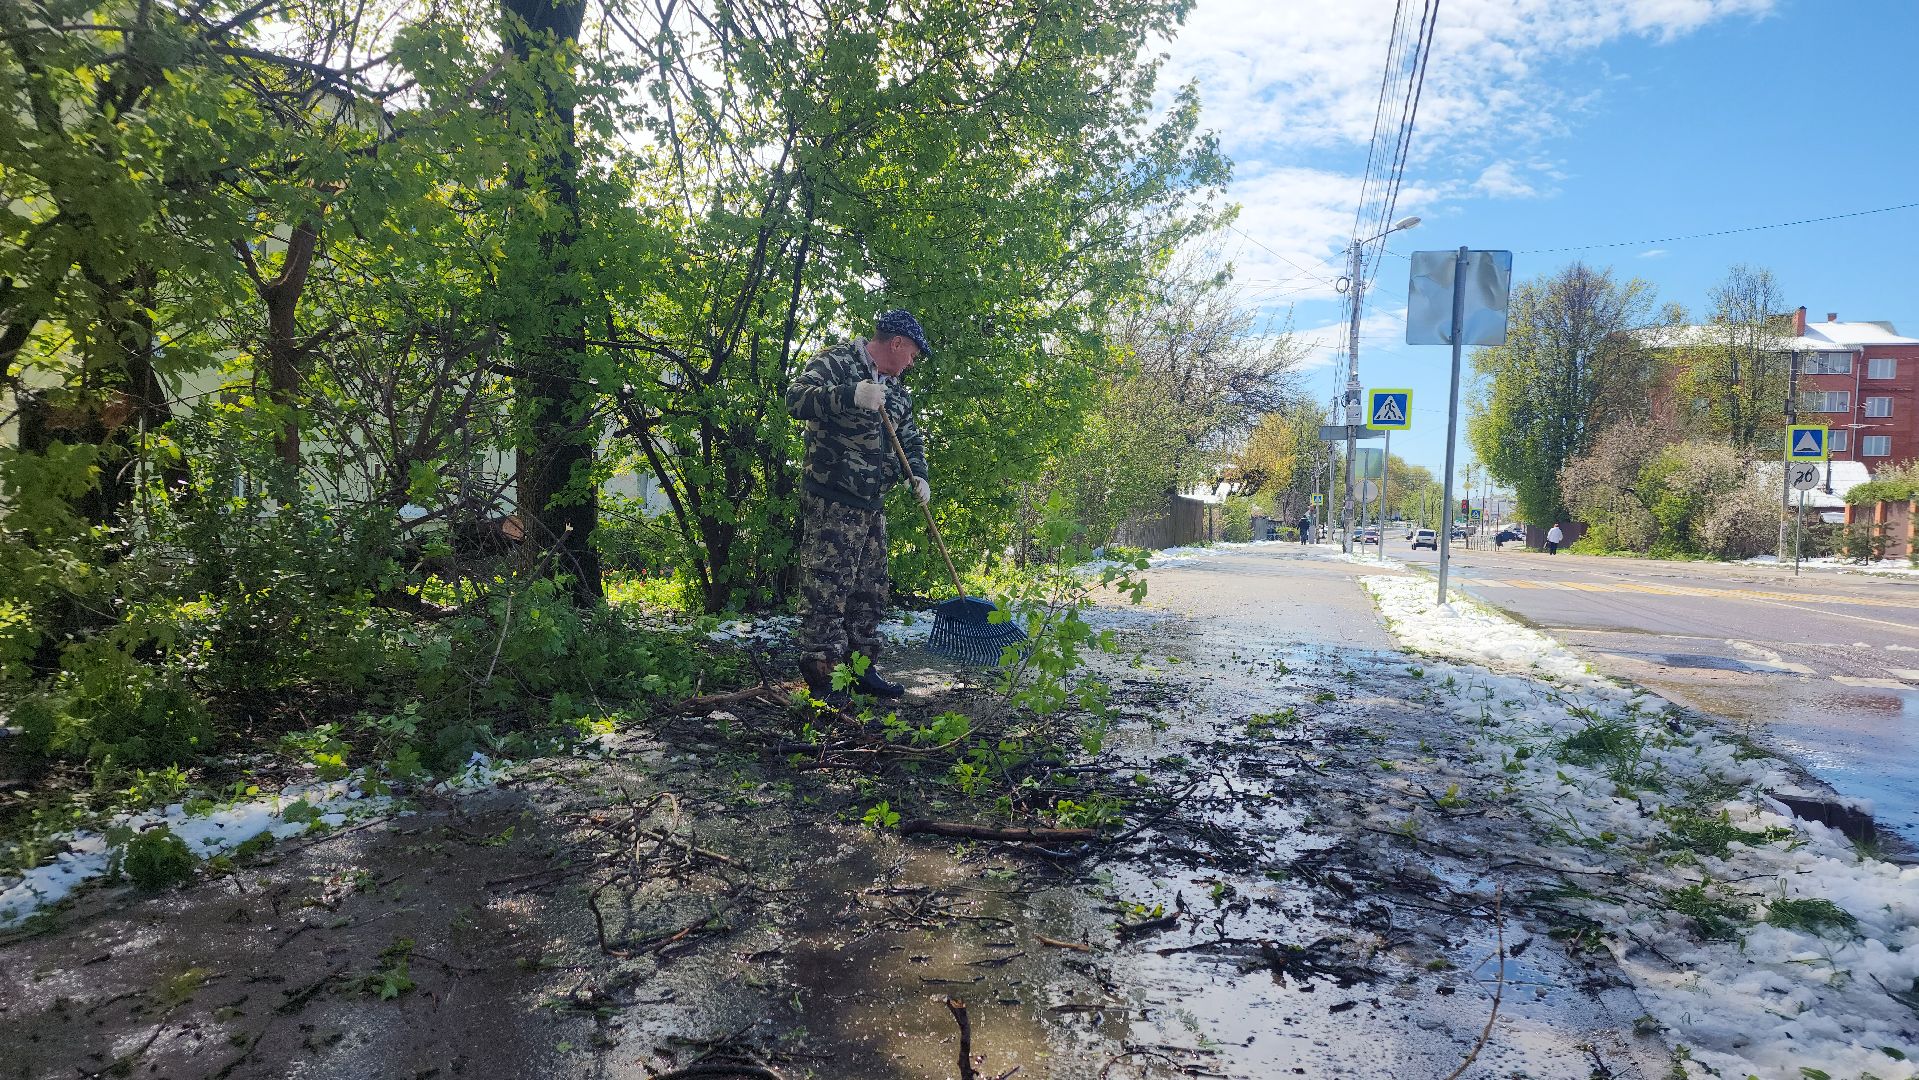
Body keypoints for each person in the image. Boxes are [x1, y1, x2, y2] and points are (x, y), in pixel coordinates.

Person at [784, 310, 933, 701]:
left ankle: (861, 668)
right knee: (826, 589)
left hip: (872, 504)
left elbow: (911, 441)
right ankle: (822, 675)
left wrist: (918, 475)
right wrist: (850, 395)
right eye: (913, 354)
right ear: (896, 342)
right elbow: (795, 399)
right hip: (831, 497)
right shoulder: (836, 362)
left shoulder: (898, 392)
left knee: (870, 592)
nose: (912, 363)